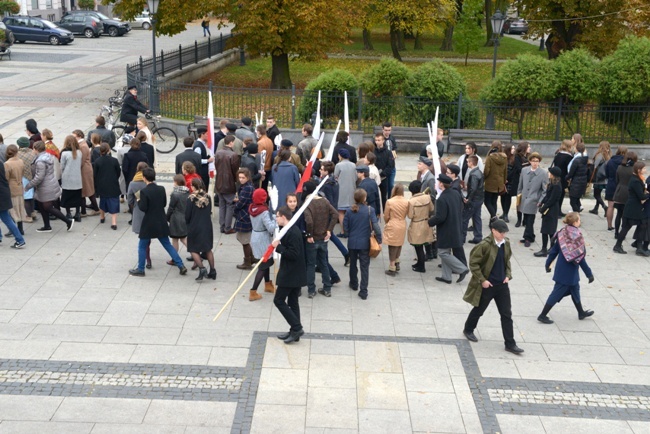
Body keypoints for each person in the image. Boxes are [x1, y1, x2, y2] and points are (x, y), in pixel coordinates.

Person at [462, 219, 524, 355]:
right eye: (501, 232)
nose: (503, 235)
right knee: (479, 309)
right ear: (493, 231)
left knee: (506, 314)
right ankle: (468, 329)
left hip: (502, 285)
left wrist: (508, 275)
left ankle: (510, 343)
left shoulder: (506, 243)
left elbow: (507, 260)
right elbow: (473, 263)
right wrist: (482, 280)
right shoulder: (484, 245)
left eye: (505, 232)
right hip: (488, 285)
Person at [129, 167, 188, 277]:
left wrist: (138, 199)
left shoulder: (144, 192)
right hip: (161, 220)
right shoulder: (161, 189)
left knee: (142, 245)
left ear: (144, 178)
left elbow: (143, 208)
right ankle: (181, 265)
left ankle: (141, 269)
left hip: (148, 222)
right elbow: (164, 204)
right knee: (167, 245)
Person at [538, 212, 595, 324]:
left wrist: (547, 264)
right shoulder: (576, 236)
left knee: (575, 290)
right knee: (556, 293)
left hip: (563, 269)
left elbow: (554, 251)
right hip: (568, 272)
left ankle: (581, 312)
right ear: (575, 222)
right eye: (579, 220)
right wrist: (589, 273)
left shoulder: (562, 233)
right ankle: (542, 315)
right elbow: (580, 257)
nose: (580, 221)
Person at [271, 205, 307, 343]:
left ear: (284, 217)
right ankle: (294, 330)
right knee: (293, 301)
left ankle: (297, 328)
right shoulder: (287, 229)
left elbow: (293, 254)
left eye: (278, 216)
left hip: (291, 273)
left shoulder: (293, 232)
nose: (276, 219)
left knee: (278, 300)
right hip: (294, 272)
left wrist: (278, 247)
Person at [428, 174, 468, 284]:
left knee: (442, 253)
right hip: (455, 226)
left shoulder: (442, 199)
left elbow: (440, 217)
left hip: (446, 229)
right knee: (446, 251)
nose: (436, 184)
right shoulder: (455, 193)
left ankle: (462, 269)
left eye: (438, 182)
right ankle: (446, 277)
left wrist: (430, 221)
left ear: (441, 184)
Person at [25, 141, 74, 233]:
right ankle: (47, 226)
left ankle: (68, 221)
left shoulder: (40, 161)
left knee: (47, 207)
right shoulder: (46, 156)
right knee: (41, 205)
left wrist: (28, 185)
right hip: (48, 184)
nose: (32, 150)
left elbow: (39, 177)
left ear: (36, 149)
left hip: (45, 187)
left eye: (33, 149)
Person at [344, 188, 382, 300]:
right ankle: (363, 290)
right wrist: (379, 240)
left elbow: (345, 228)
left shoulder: (349, 210)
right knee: (364, 267)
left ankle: (354, 283)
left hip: (352, 242)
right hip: (365, 242)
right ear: (364, 198)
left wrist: (350, 234)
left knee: (353, 264)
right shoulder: (370, 210)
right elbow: (376, 226)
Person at [303, 180, 339, 298]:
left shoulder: (307, 203)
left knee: (311, 264)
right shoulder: (324, 201)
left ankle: (311, 290)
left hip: (312, 239)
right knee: (323, 262)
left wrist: (309, 234)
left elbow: (309, 221)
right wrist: (329, 229)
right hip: (323, 238)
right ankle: (327, 288)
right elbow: (335, 214)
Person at [613, 162, 649, 255]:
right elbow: (641, 196)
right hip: (633, 208)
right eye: (644, 168)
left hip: (635, 207)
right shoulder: (635, 181)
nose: (645, 170)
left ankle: (639, 246)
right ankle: (618, 245)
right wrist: (648, 194)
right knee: (626, 227)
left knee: (642, 224)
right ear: (639, 170)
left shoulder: (638, 179)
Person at [185, 178, 216, 280]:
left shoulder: (191, 198)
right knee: (208, 249)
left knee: (193, 249)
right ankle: (212, 270)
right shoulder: (207, 197)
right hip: (207, 226)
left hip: (195, 226)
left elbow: (187, 215)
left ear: (193, 187)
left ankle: (202, 269)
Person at [249, 188, 276, 301]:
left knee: (266, 261)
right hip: (263, 238)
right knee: (264, 265)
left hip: (255, 236)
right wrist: (275, 219)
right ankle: (253, 291)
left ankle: (268, 284)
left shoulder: (252, 208)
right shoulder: (264, 211)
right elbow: (270, 227)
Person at [518, 152, 547, 247]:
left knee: (530, 220)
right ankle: (531, 235)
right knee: (526, 219)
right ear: (530, 161)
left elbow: (544, 189)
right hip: (524, 199)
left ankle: (527, 238)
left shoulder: (542, 173)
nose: (535, 163)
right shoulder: (524, 170)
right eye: (533, 161)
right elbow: (520, 184)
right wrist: (519, 195)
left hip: (534, 200)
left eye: (537, 161)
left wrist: (540, 200)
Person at [214, 135, 241, 234]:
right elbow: (235, 171)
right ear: (231, 143)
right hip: (229, 183)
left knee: (222, 205)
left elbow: (216, 166)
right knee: (230, 205)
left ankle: (222, 226)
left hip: (219, 182)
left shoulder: (218, 153)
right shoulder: (233, 155)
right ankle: (228, 227)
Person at [535, 167, 563, 257]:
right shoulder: (552, 184)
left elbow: (552, 200)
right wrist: (542, 202)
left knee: (549, 230)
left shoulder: (556, 185)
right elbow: (547, 196)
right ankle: (549, 248)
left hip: (552, 210)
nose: (548, 173)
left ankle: (548, 249)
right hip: (549, 209)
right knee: (546, 230)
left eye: (549, 172)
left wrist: (544, 207)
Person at [93, 143, 121, 230]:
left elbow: (95, 175)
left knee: (103, 200)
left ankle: (102, 217)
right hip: (112, 183)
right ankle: (114, 222)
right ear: (109, 150)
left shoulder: (97, 161)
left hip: (102, 184)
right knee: (114, 201)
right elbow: (118, 172)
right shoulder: (114, 160)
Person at [408, 180, 434, 273]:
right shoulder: (427, 197)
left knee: (418, 247)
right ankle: (419, 263)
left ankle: (421, 266)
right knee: (423, 245)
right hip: (426, 223)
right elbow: (432, 209)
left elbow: (410, 215)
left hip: (416, 224)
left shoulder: (411, 201)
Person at [73, 129, 100, 217]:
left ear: (79, 136)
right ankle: (87, 210)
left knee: (85, 191)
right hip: (84, 170)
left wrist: (75, 168)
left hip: (84, 170)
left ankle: (87, 211)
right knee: (86, 191)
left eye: (74, 136)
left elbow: (82, 159)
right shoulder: (82, 144)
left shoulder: (83, 146)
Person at [128, 162, 150, 266]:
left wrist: (133, 207)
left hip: (138, 210)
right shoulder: (149, 181)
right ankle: (148, 256)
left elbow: (130, 199)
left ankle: (145, 259)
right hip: (150, 210)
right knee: (148, 235)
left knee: (142, 236)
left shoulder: (133, 183)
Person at [0, 161, 26, 248]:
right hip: (4, 192)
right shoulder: (1, 162)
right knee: (6, 218)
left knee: (6, 219)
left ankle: (20, 240)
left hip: (1, 194)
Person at [384, 184, 408, 276]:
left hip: (393, 223)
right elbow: (409, 214)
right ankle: (397, 261)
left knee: (392, 246)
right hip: (402, 224)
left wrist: (387, 222)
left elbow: (386, 215)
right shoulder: (406, 201)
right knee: (399, 244)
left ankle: (392, 267)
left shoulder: (390, 201)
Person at [612, 151, 637, 238]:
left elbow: (617, 180)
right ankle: (623, 231)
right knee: (625, 215)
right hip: (629, 193)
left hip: (619, 191)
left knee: (619, 214)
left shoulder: (619, 167)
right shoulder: (634, 169)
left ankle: (616, 232)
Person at [3, 145, 26, 237]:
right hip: (20, 186)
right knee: (20, 208)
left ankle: (13, 230)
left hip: (11, 188)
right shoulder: (20, 161)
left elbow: (6, 178)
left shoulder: (7, 164)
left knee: (11, 210)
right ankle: (20, 229)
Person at [59, 135, 84, 222]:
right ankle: (77, 213)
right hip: (77, 178)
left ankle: (68, 213)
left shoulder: (64, 153)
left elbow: (62, 166)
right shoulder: (79, 152)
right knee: (77, 196)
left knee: (67, 197)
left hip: (67, 178)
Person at [234, 168, 255, 269]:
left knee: (244, 240)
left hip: (244, 216)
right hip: (245, 215)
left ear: (247, 177)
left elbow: (241, 203)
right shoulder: (247, 186)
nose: (241, 179)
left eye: (243, 177)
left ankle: (247, 261)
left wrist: (235, 204)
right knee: (243, 239)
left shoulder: (247, 188)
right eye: (240, 177)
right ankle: (251, 257)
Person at [334, 148, 356, 237]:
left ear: (341, 156)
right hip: (352, 190)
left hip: (341, 190)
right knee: (350, 210)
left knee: (341, 211)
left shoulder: (338, 165)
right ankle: (351, 229)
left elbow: (335, 177)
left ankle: (343, 231)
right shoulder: (353, 165)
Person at [166, 174, 189, 260]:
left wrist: (167, 218)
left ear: (176, 182)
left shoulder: (175, 194)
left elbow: (171, 208)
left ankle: (175, 259)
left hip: (175, 218)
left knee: (176, 239)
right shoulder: (187, 192)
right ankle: (195, 254)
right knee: (183, 237)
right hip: (184, 217)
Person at [483, 141, 508, 219]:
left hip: (490, 183)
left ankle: (493, 217)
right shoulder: (504, 157)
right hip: (499, 183)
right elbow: (505, 171)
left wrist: (483, 178)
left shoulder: (490, 157)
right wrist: (503, 182)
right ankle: (492, 221)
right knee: (494, 201)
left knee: (487, 201)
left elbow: (486, 170)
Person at [506, 142, 529, 225]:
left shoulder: (529, 156)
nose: (530, 148)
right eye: (528, 146)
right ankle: (519, 219)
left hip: (528, 181)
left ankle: (525, 219)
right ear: (524, 148)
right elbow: (519, 168)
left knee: (526, 200)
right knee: (519, 200)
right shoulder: (518, 157)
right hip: (519, 181)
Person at [463, 155, 484, 244]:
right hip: (479, 199)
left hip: (474, 200)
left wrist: (468, 199)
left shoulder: (474, 174)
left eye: (468, 162)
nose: (467, 163)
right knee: (476, 218)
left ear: (471, 163)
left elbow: (473, 188)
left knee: (464, 219)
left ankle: (461, 238)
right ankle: (478, 237)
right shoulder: (479, 172)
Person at [605, 146, 627, 231]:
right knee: (622, 208)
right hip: (621, 185)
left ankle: (609, 225)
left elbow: (606, 173)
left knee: (610, 206)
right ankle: (621, 226)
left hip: (611, 184)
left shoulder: (610, 161)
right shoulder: (625, 162)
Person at [551, 139, 573, 217]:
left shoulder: (558, 154)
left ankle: (558, 210)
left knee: (557, 194)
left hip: (556, 176)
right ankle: (557, 211)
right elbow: (569, 168)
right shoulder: (569, 157)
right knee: (561, 194)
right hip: (563, 177)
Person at [566, 142, 589, 212]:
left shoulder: (576, 160)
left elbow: (571, 173)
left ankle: (576, 215)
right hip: (583, 181)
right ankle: (577, 212)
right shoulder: (585, 158)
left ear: (576, 149)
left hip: (576, 182)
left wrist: (566, 178)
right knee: (576, 199)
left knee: (572, 200)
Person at [589, 141, 611, 216]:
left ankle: (605, 207)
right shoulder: (608, 155)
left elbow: (595, 166)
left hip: (598, 178)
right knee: (598, 193)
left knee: (596, 195)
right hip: (605, 178)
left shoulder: (599, 155)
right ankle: (596, 208)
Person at [373, 132, 394, 208]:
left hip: (383, 177)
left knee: (383, 195)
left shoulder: (388, 153)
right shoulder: (372, 152)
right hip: (373, 177)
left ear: (383, 141)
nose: (377, 142)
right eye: (376, 140)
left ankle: (384, 210)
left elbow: (390, 165)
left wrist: (382, 174)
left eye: (379, 140)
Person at [193, 127, 214, 194]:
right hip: (201, 172)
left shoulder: (202, 144)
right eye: (207, 134)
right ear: (202, 134)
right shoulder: (198, 146)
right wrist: (207, 161)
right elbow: (197, 160)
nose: (208, 136)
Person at [256, 125, 274, 192]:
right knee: (265, 187)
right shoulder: (269, 140)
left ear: (258, 132)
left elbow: (259, 157)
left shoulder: (260, 143)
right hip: (269, 166)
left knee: (261, 188)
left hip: (263, 168)